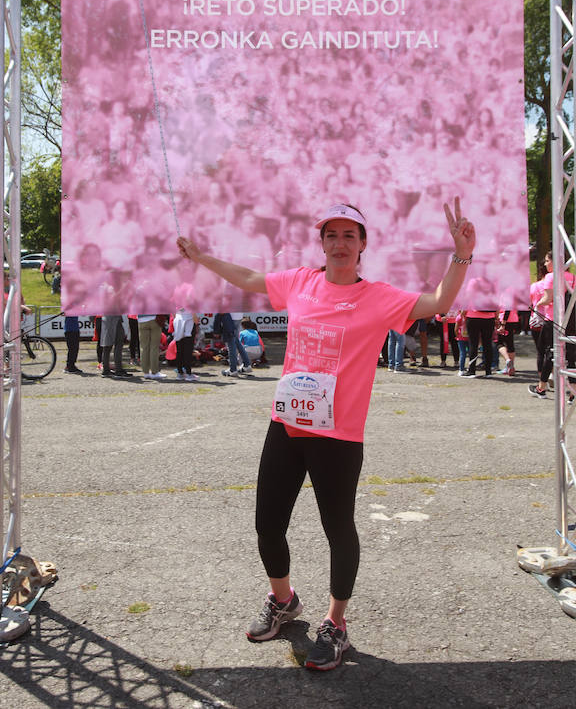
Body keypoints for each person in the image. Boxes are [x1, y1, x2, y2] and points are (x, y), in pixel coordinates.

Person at [178, 198, 475, 671]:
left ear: (363, 245)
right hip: (287, 427)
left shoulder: (379, 297)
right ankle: (284, 600)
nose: (340, 244)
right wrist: (201, 258)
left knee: (338, 530)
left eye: (349, 236)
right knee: (267, 525)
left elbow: (438, 302)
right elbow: (252, 281)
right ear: (321, 243)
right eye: (331, 235)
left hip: (339, 437)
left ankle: (335, 624)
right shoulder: (300, 282)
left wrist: (461, 256)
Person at [528, 252, 576, 399]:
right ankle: (573, 393)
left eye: (547, 261)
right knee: (572, 354)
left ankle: (541, 388)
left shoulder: (551, 276)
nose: (545, 264)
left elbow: (548, 298)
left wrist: (536, 305)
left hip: (553, 320)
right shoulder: (572, 277)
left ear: (555, 262)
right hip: (571, 319)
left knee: (549, 352)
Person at [213, 313, 252, 377]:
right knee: (236, 341)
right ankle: (246, 364)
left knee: (231, 345)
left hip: (230, 317)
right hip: (238, 315)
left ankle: (233, 369)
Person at [173, 307, 199, 382]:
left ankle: (180, 372)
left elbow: (173, 312)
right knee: (187, 349)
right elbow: (193, 311)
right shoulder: (189, 297)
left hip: (178, 321)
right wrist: (196, 320)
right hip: (189, 322)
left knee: (179, 349)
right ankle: (188, 373)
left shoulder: (176, 297)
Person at [138, 314, 166, 380]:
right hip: (154, 318)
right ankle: (154, 372)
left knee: (144, 347)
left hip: (141, 320)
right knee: (154, 347)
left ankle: (146, 372)